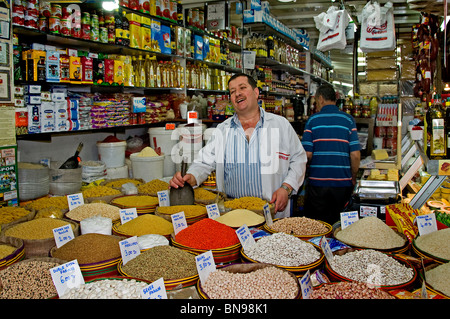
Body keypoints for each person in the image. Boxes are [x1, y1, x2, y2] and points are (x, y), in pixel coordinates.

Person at [170, 73, 307, 218]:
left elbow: (299, 159)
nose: (237, 94)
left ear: (256, 92)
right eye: (232, 91)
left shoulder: (280, 125)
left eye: (242, 88)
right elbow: (203, 162)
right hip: (232, 211)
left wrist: (286, 189)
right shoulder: (223, 129)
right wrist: (190, 177)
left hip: (270, 211)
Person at [301, 84, 361, 225]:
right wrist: (353, 177)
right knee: (341, 227)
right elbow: (356, 156)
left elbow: (307, 155)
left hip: (317, 186)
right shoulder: (348, 120)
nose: (316, 104)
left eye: (315, 101)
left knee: (316, 227)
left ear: (321, 99)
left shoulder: (312, 121)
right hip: (342, 186)